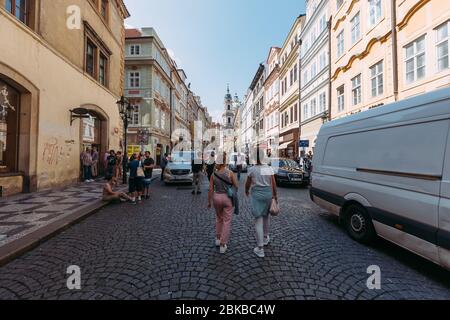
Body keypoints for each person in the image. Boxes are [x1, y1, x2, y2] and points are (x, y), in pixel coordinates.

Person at [245, 151, 278, 258]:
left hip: (257, 195)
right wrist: (275, 196)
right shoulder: (268, 169)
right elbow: (273, 184)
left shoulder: (252, 169)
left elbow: (248, 183)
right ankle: (265, 238)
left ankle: (260, 248)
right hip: (268, 194)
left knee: (258, 220)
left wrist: (246, 191)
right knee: (266, 216)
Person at [208, 152, 239, 254]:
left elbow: (211, 189)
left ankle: (218, 239)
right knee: (226, 221)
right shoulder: (230, 173)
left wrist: (209, 201)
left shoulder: (214, 174)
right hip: (227, 198)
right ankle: (222, 244)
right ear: (225, 161)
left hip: (217, 198)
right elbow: (236, 186)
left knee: (219, 219)